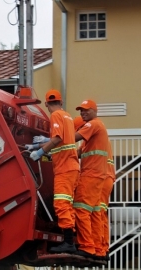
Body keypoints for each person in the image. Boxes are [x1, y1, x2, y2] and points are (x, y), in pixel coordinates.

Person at [26, 89, 79, 254]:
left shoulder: (55, 116)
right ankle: (72, 241)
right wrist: (36, 145)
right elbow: (61, 139)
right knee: (68, 204)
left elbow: (57, 139)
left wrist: (39, 153)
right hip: (71, 167)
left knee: (61, 204)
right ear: (61, 102)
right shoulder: (67, 116)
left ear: (47, 104)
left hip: (64, 168)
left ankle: (68, 242)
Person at [72, 99, 109, 259]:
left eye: (86, 110)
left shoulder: (93, 125)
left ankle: (87, 246)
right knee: (94, 212)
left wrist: (52, 140)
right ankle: (98, 249)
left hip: (91, 175)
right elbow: (78, 153)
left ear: (95, 111)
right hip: (97, 175)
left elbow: (73, 138)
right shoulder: (93, 132)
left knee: (81, 208)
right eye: (81, 110)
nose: (83, 113)